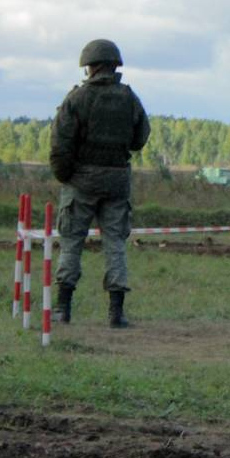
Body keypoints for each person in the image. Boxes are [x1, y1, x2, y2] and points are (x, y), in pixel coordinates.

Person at [49, 39, 150, 328]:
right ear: (115, 65)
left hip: (80, 181)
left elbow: (60, 144)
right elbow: (140, 137)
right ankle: (116, 314)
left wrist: (66, 175)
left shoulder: (77, 99)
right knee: (115, 245)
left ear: (89, 67)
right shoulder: (129, 98)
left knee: (71, 243)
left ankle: (63, 309)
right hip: (117, 181)